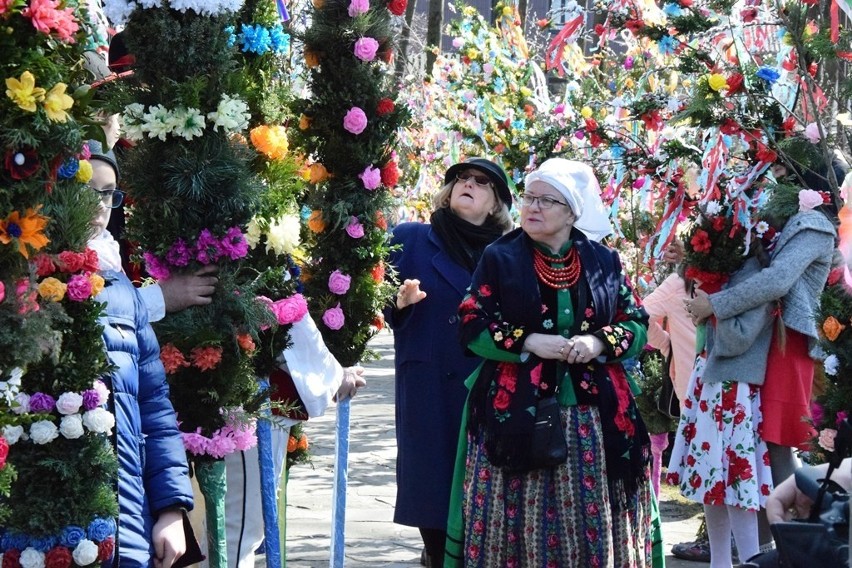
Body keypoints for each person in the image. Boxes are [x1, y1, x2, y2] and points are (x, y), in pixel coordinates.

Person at [445, 157, 653, 567]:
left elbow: (637, 323)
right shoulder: (499, 257)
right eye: (529, 198)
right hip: (515, 413)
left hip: (593, 417)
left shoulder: (603, 261)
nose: (532, 207)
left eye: (547, 201)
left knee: (590, 516)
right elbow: (471, 321)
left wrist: (598, 342)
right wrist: (528, 341)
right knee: (515, 520)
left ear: (573, 211)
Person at [671, 174, 839, 567]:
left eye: (782, 174)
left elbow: (776, 280)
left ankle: (783, 548)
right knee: (747, 449)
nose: (772, 182)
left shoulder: (813, 224)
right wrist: (694, 266)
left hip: (782, 343)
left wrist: (718, 304)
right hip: (758, 348)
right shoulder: (781, 222)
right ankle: (766, 549)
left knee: (772, 446)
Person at [387, 157, 514, 567]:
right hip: (429, 386)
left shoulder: (508, 252)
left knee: (482, 495)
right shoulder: (410, 238)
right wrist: (397, 304)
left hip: (487, 386)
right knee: (434, 491)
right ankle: (437, 555)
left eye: (481, 182)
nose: (469, 184)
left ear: (495, 203)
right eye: (462, 178)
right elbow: (368, 301)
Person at [87, 140, 194, 568]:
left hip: (125, 520)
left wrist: (170, 510)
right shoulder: (21, 286)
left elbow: (153, 405)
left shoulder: (121, 291)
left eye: (108, 193)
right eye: (85, 188)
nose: (98, 205)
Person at [223, 313, 366, 568]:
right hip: (248, 405)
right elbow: (283, 318)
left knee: (238, 525)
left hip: (249, 402)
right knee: (240, 527)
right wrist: (333, 376)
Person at [641, 240, 697, 499]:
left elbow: (639, 316)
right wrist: (667, 345)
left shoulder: (679, 282)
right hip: (697, 383)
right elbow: (640, 316)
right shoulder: (679, 283)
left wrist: (666, 345)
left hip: (694, 384)